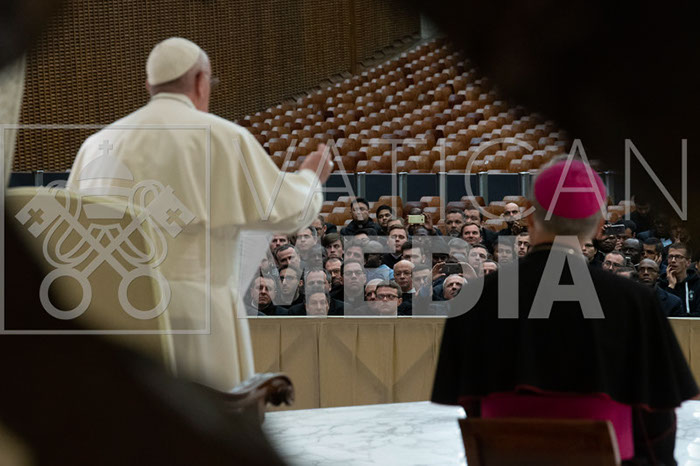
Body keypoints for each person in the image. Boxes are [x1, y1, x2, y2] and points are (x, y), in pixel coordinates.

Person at [66, 38, 331, 391]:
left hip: (117, 315)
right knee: (202, 415)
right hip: (196, 313)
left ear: (149, 86)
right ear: (200, 82)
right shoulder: (222, 137)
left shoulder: (96, 145)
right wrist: (311, 178)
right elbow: (287, 210)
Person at [432, 159, 698, 465]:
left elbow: (470, 403)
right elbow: (657, 418)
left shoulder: (476, 297)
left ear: (531, 219)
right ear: (599, 226)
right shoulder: (635, 300)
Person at [660, 242, 700, 316]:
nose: (673, 260)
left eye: (678, 257)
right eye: (670, 257)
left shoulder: (697, 284)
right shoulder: (660, 284)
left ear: (688, 262)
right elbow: (661, 313)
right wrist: (671, 287)